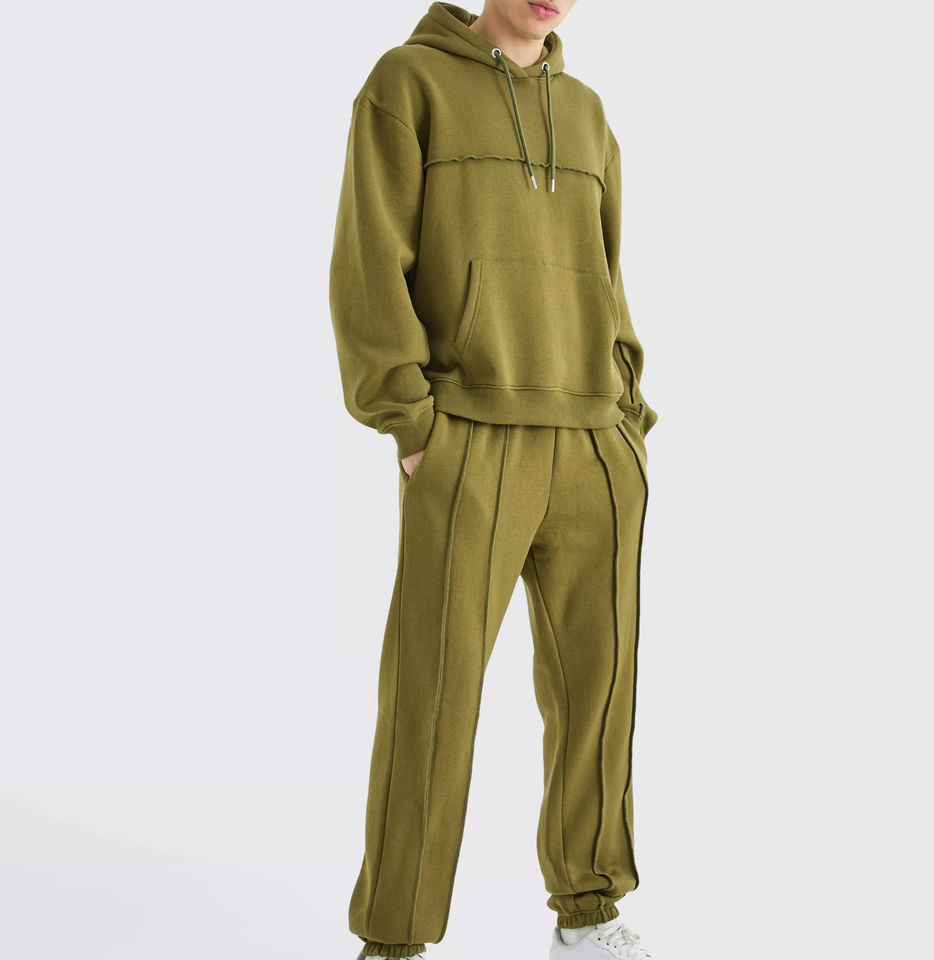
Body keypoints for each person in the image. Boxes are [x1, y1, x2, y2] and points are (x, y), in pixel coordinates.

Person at [328, 2, 659, 957]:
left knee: (599, 698)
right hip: (469, 437)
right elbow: (368, 262)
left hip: (594, 443)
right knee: (432, 699)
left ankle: (589, 916)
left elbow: (606, 274)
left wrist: (630, 418)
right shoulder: (408, 85)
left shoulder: (586, 112)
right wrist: (409, 419)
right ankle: (394, 940)